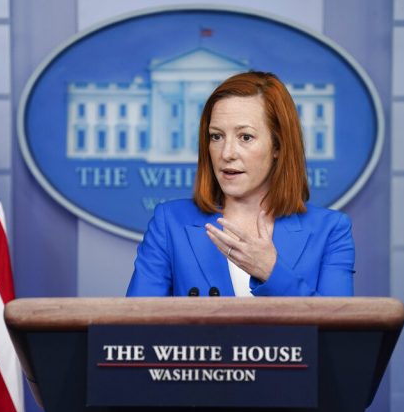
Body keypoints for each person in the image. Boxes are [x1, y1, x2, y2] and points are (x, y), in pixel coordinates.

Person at [126, 71, 354, 297]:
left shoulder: (331, 230)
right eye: (216, 136)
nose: (226, 153)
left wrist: (271, 272)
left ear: (278, 146)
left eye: (245, 137)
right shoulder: (170, 222)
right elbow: (134, 326)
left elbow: (340, 331)